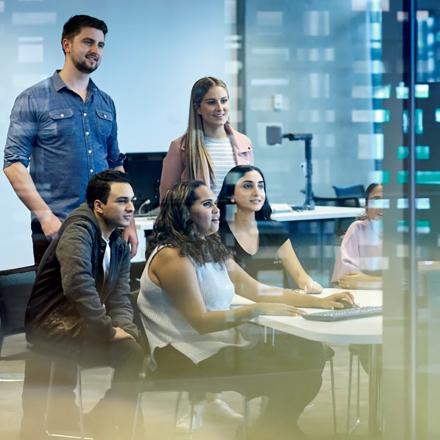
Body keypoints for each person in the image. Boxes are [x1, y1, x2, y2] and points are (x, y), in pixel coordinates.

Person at [137, 181, 354, 439]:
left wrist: (317, 301)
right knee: (293, 370)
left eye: (215, 203)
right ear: (184, 213)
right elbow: (202, 322)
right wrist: (255, 311)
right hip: (182, 354)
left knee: (311, 352)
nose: (217, 210)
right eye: (207, 205)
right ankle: (274, 429)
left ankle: (269, 429)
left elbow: (257, 290)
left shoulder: (208, 246)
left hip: (214, 346)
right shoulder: (172, 257)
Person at [3, 14, 138, 264]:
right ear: (67, 44)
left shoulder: (106, 102)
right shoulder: (33, 99)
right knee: (57, 303)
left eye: (100, 44)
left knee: (105, 300)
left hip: (105, 226)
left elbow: (115, 164)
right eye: (88, 42)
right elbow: (13, 165)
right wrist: (45, 216)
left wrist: (129, 221)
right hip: (57, 227)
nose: (95, 50)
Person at [22, 170, 144, 440]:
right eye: (122, 200)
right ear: (99, 206)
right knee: (132, 354)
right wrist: (109, 329)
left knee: (135, 346)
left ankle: (105, 419)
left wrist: (125, 327)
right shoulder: (79, 229)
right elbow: (78, 284)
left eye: (132, 200)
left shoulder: (118, 241)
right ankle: (108, 424)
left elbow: (120, 295)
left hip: (80, 320)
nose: (131, 207)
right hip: (53, 322)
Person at [217, 165, 323, 293]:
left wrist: (313, 287)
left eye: (260, 186)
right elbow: (242, 288)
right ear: (230, 195)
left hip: (274, 303)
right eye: (247, 186)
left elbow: (301, 278)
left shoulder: (274, 230)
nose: (257, 193)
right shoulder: (218, 234)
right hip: (237, 306)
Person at [159, 76, 253, 200]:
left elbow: (250, 188)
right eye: (212, 102)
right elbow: (167, 199)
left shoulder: (244, 143)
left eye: (224, 101)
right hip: (198, 219)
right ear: (197, 108)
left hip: (236, 218)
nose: (220, 108)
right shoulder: (180, 147)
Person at [332, 183, 384, 289]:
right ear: (366, 206)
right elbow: (346, 278)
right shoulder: (357, 229)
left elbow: (407, 281)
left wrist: (368, 281)